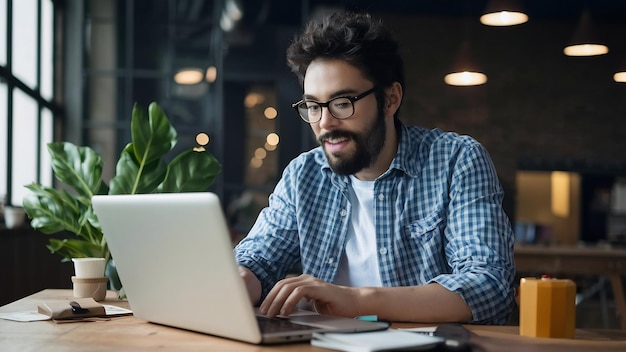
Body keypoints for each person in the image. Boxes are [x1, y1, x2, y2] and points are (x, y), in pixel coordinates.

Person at [234, 11, 515, 325]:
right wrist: (237, 281)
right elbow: (256, 261)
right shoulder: (303, 175)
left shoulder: (457, 161)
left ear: (390, 98)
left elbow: (489, 287)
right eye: (313, 106)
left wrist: (354, 300)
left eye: (342, 103)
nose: (325, 122)